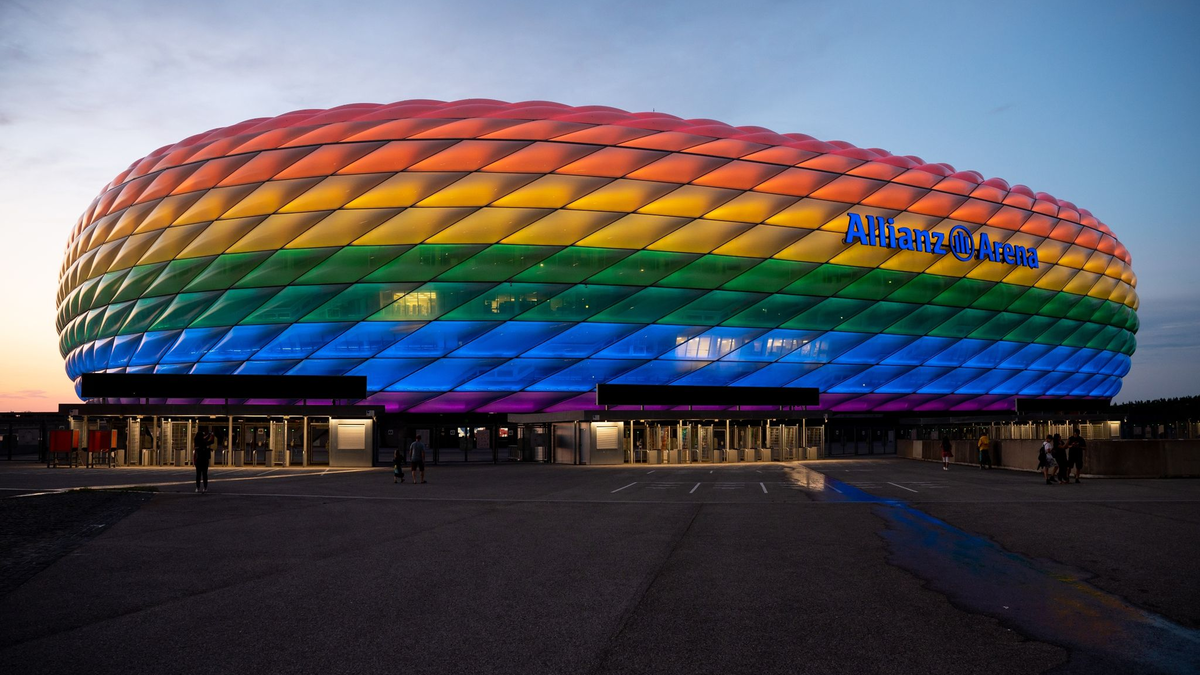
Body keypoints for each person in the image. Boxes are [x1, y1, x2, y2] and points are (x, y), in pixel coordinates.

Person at [193, 428, 214, 493]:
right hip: (204, 460)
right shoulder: (203, 442)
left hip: (198, 460)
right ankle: (205, 487)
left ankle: (197, 487)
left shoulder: (196, 441)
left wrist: (208, 435)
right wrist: (211, 435)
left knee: (198, 475)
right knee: (205, 474)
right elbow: (210, 441)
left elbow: (205, 438)